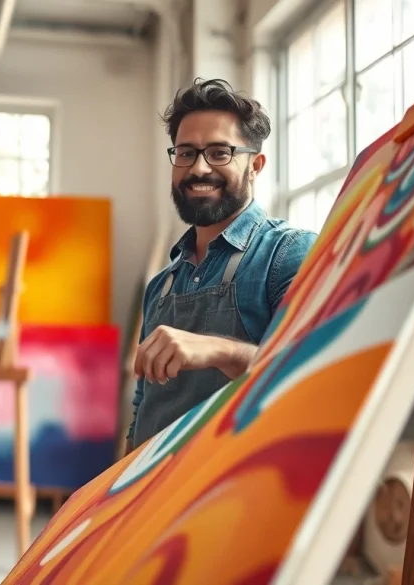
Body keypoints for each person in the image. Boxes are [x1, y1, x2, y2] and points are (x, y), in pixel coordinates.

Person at [127, 78, 318, 453]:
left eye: (219, 152)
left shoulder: (287, 254)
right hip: (153, 502)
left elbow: (308, 376)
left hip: (235, 502)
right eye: (185, 153)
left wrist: (221, 351)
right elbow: (142, 408)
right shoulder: (161, 285)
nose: (198, 168)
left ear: (255, 165)